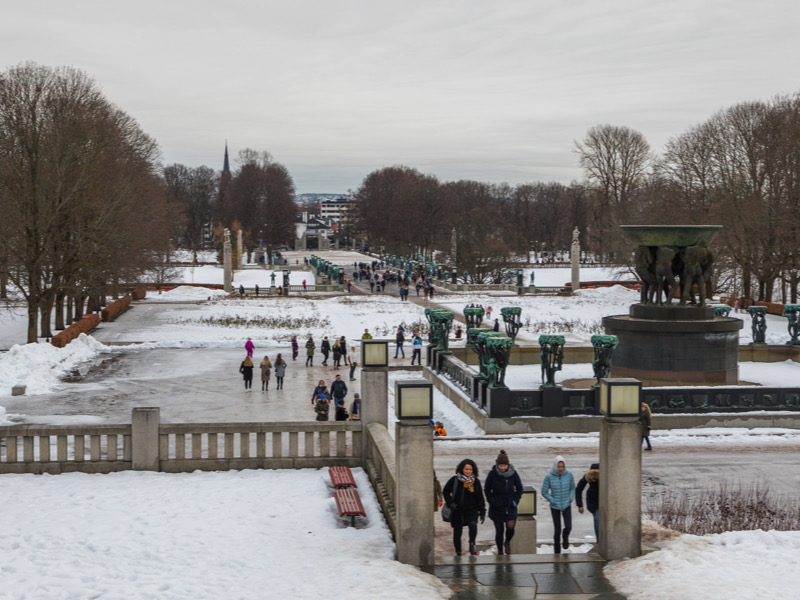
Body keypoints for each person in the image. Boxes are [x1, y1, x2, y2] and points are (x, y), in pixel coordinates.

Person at [484, 450, 524, 555]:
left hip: (510, 505)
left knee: (510, 528)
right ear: (497, 465)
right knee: (499, 531)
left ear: (508, 464)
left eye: (504, 465)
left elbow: (519, 488)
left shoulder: (513, 473)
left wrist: (515, 501)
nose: (502, 468)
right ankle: (500, 551)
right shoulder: (492, 474)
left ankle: (507, 542)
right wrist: (491, 501)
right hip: (496, 506)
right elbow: (487, 489)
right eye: (500, 466)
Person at [443, 459, 486, 556]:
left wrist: (482, 511)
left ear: (473, 470)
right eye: (466, 469)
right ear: (462, 469)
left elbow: (480, 497)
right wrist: (450, 503)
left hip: (471, 510)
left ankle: (472, 544)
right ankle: (458, 552)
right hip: (457, 510)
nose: (468, 471)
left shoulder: (475, 482)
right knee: (457, 532)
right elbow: (445, 491)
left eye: (470, 469)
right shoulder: (455, 479)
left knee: (473, 525)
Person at [541, 455, 575, 554]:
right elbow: (544, 492)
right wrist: (552, 500)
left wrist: (570, 498)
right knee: (557, 529)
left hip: (566, 504)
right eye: (559, 466)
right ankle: (557, 551)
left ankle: (565, 537)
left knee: (568, 526)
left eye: (562, 466)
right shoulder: (549, 476)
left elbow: (572, 488)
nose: (560, 469)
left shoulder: (569, 474)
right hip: (555, 506)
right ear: (555, 466)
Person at [575, 462, 600, 543]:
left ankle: (602, 540)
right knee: (597, 519)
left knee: (601, 521)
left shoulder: (605, 477)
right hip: (593, 502)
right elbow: (579, 489)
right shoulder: (587, 477)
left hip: (604, 502)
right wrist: (580, 505)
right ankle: (599, 541)